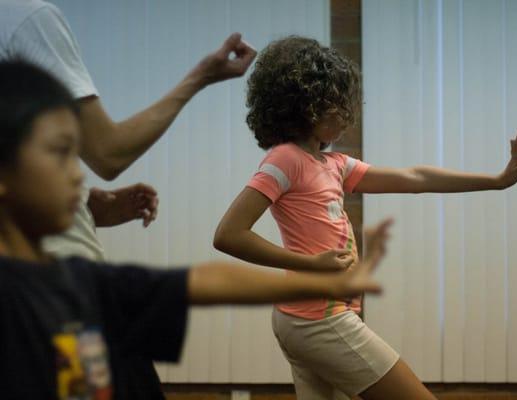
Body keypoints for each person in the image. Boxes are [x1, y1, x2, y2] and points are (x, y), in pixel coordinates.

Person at [0, 59, 391, 400]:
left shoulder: (82, 281)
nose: (76, 175)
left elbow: (206, 281)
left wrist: (324, 283)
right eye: (59, 152)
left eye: (75, 155)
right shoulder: (17, 300)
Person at [213, 36, 517, 400]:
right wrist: (309, 263)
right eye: (336, 104)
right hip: (320, 319)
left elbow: (415, 178)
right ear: (309, 106)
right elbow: (229, 234)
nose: (346, 115)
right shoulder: (285, 160)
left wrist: (496, 181)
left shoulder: (332, 165)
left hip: (306, 317)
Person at [0, 0, 256, 260]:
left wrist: (85, 206)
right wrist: (201, 76)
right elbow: (108, 153)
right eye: (61, 151)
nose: (78, 176)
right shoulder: (23, 17)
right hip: (52, 279)